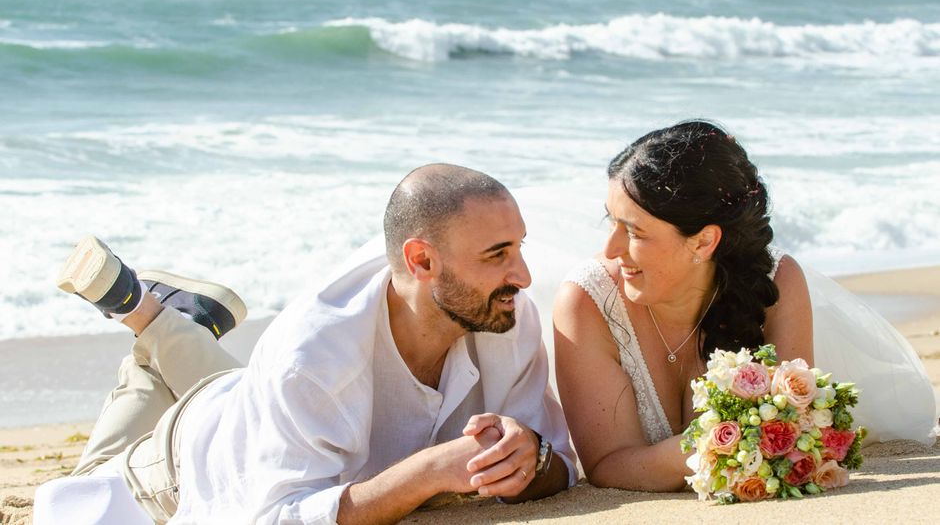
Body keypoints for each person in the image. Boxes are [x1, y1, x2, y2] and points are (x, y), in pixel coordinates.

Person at [39, 164, 575, 524]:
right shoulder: (314, 353)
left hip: (252, 400)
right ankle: (147, 317)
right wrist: (430, 471)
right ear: (421, 262)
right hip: (174, 470)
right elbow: (276, 518)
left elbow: (562, 464)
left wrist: (532, 452)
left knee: (244, 385)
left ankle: (163, 317)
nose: (524, 276)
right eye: (497, 254)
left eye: (520, 248)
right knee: (67, 501)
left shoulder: (503, 315)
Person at [551, 120, 937, 492]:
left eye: (634, 231)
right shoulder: (587, 303)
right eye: (611, 221)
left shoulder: (774, 282)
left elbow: (793, 428)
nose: (610, 249)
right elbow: (606, 465)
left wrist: (735, 449)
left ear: (703, 242)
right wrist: (721, 448)